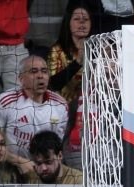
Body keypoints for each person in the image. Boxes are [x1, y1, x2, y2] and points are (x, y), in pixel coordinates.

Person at [0, 55, 69, 176]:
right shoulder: (5, 101)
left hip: (45, 170)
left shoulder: (60, 105)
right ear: (21, 79)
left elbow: (56, 147)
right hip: (10, 167)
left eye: (44, 71)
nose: (40, 76)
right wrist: (20, 162)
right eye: (33, 71)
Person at [46, 2, 93, 170]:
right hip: (63, 108)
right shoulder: (57, 50)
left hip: (90, 109)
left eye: (86, 19)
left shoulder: (99, 48)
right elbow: (54, 83)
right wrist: (78, 62)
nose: (82, 23)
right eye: (77, 19)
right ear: (68, 23)